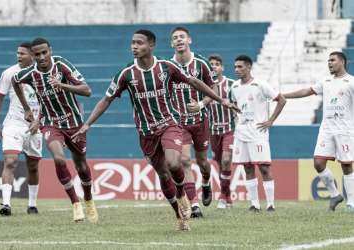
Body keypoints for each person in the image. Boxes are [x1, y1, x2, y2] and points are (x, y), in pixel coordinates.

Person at [71, 29, 240, 231]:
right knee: (163, 175)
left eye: (140, 43)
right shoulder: (126, 74)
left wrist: (221, 100)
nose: (135, 46)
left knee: (175, 162)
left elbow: (194, 81)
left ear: (151, 46)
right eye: (133, 43)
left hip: (170, 124)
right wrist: (88, 123)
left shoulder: (167, 67)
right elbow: (106, 99)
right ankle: (179, 216)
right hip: (146, 132)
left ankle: (181, 194)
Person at [11, 38, 98, 223]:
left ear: (50, 50)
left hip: (74, 123)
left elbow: (87, 90)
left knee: (81, 166)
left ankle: (88, 200)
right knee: (58, 158)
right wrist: (27, 108)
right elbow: (14, 79)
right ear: (32, 56)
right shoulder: (31, 73)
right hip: (51, 123)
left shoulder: (62, 65)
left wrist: (62, 85)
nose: (42, 57)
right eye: (37, 54)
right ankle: (75, 203)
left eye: (44, 52)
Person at [284, 52, 354, 212]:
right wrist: (282, 95)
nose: (329, 63)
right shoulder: (326, 81)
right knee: (318, 163)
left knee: (347, 166)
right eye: (328, 60)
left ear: (342, 62)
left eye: (332, 60)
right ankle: (335, 195)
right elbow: (305, 91)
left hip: (345, 130)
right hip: (327, 130)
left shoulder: (351, 82)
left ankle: (351, 202)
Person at [170, 26, 218, 218]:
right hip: (179, 122)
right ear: (171, 43)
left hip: (200, 120)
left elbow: (213, 87)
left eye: (182, 37)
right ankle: (194, 204)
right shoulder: (166, 65)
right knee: (184, 161)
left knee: (203, 162)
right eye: (175, 38)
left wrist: (202, 103)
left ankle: (206, 183)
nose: (179, 40)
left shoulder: (201, 63)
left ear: (189, 40)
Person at [231, 55, 286, 212]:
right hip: (241, 133)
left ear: (248, 67)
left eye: (240, 67)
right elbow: (236, 105)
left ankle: (270, 204)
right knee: (247, 168)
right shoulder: (234, 87)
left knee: (264, 168)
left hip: (258, 133)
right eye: (235, 67)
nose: (237, 70)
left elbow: (281, 99)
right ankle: (255, 204)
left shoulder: (261, 85)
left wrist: (271, 121)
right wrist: (236, 117)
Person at [0, 42, 41, 216]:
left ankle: (32, 205)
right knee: (11, 162)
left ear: (32, 55)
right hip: (14, 123)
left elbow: (47, 102)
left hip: (36, 125)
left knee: (33, 166)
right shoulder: (8, 73)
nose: (19, 56)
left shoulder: (42, 74)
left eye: (22, 54)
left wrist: (39, 121)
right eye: (17, 53)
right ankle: (6, 204)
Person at [207, 54, 236, 209]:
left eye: (217, 64)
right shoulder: (203, 87)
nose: (213, 66)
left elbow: (240, 103)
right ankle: (228, 196)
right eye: (211, 64)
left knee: (226, 160)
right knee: (220, 165)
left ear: (222, 67)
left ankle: (221, 197)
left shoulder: (231, 84)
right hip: (213, 131)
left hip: (229, 129)